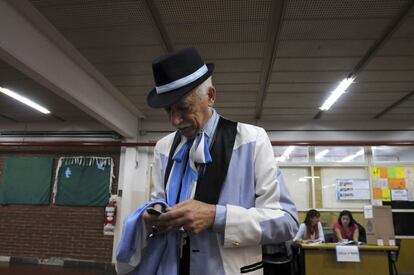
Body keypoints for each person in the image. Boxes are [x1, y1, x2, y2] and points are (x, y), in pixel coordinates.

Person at [117, 48, 298, 275]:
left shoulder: (252, 141)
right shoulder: (164, 148)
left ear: (210, 96)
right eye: (168, 110)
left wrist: (217, 216)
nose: (174, 120)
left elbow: (287, 222)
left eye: (184, 108)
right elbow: (159, 200)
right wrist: (154, 214)